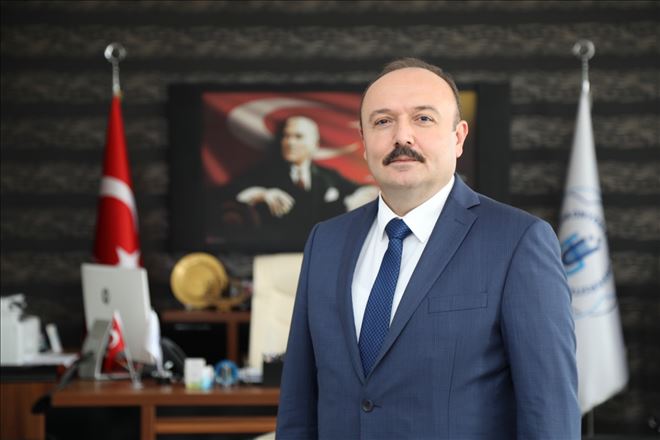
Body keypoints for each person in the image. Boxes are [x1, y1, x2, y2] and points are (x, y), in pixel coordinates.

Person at [276, 58, 580, 439]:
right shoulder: (325, 242)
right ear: (363, 142)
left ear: (458, 137)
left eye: (423, 118)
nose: (402, 137)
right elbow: (298, 407)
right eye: (383, 121)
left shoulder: (519, 242)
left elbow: (549, 416)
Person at [227, 115, 376, 249]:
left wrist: (355, 200)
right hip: (275, 253)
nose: (290, 142)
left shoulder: (328, 176)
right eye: (286, 136)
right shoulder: (264, 172)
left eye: (298, 137)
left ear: (314, 143)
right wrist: (262, 194)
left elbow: (365, 190)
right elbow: (230, 194)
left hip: (319, 251)